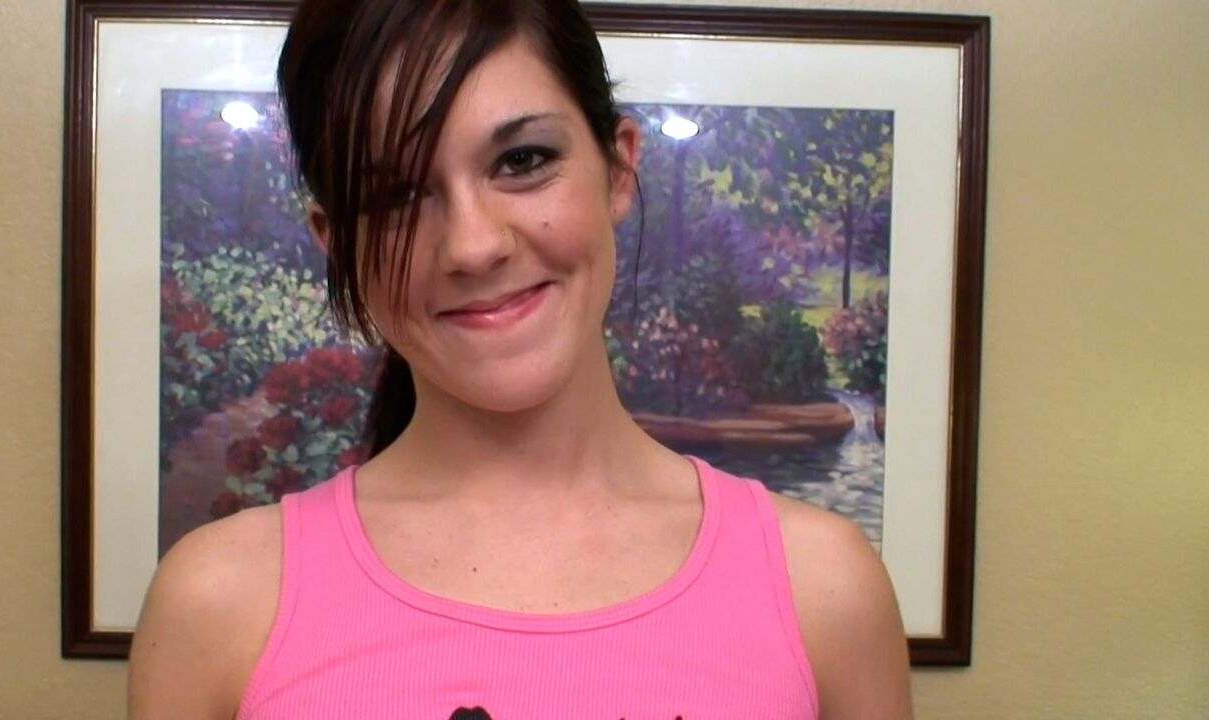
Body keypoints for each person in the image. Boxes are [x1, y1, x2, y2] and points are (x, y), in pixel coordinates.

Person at [128, 0, 913, 717]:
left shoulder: (823, 586)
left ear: (618, 169)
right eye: (394, 196)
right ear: (336, 242)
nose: (473, 246)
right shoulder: (217, 605)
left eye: (522, 160)